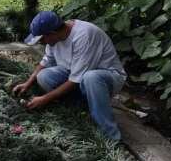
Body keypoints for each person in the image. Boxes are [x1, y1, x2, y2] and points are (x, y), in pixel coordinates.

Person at [12, 11, 127, 140]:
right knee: (44, 76)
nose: (42, 42)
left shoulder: (84, 35)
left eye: (42, 39)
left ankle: (110, 136)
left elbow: (75, 80)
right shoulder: (54, 39)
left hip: (106, 77)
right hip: (77, 74)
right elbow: (46, 61)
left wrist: (44, 99)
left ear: (52, 33)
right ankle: (83, 107)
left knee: (91, 78)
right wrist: (27, 83)